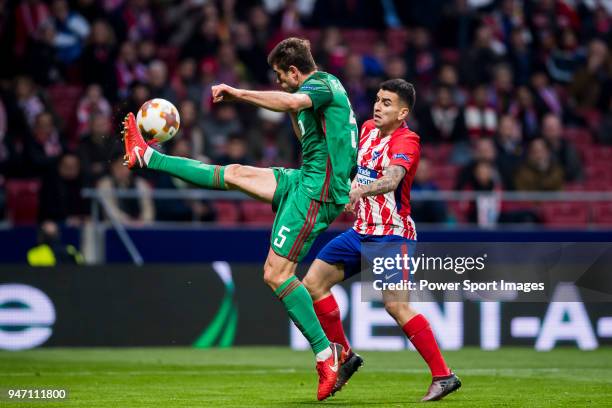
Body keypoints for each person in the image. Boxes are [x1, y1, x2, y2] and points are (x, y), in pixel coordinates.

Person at [120, 37, 358, 401]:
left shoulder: (320, 85)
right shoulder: (320, 92)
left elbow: (293, 100)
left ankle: (328, 356)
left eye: (280, 75)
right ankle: (147, 157)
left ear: (295, 72)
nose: (278, 82)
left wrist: (237, 92)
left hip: (316, 192)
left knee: (276, 274)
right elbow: (305, 122)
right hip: (306, 178)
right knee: (233, 173)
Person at [301, 79, 461, 401]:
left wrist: (359, 191)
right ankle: (344, 355)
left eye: (387, 103)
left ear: (403, 112)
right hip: (361, 232)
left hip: (392, 235)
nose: (378, 106)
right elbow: (357, 170)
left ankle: (444, 376)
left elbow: (391, 179)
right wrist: (349, 188)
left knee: (396, 306)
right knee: (313, 283)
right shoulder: (366, 131)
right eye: (377, 99)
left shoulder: (407, 141)